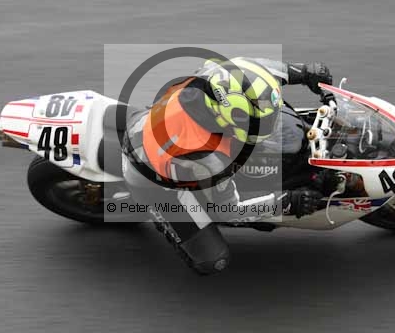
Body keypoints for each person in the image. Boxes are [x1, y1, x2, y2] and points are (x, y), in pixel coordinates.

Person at [121, 57, 333, 274]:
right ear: (231, 116)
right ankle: (161, 215)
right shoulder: (207, 156)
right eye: (260, 122)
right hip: (152, 178)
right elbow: (228, 210)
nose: (270, 124)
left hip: (150, 124)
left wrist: (304, 72)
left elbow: (255, 69)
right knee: (212, 260)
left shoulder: (217, 78)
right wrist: (285, 202)